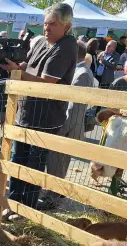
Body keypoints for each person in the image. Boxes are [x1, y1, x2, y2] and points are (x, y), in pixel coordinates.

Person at [0, 2, 78, 219]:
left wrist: (18, 72)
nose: (46, 29)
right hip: (25, 112)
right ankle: (13, 204)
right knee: (17, 161)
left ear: (66, 26)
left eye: (52, 24)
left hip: (46, 117)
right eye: (45, 24)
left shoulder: (66, 46)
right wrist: (15, 66)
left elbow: (47, 82)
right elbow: (27, 66)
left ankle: (27, 209)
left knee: (33, 165)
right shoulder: (42, 42)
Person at [40, 41, 97, 209]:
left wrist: (60, 130)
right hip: (64, 127)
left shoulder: (82, 74)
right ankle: (52, 195)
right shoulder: (80, 71)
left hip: (66, 129)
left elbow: (74, 109)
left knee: (57, 164)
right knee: (56, 164)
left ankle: (53, 198)